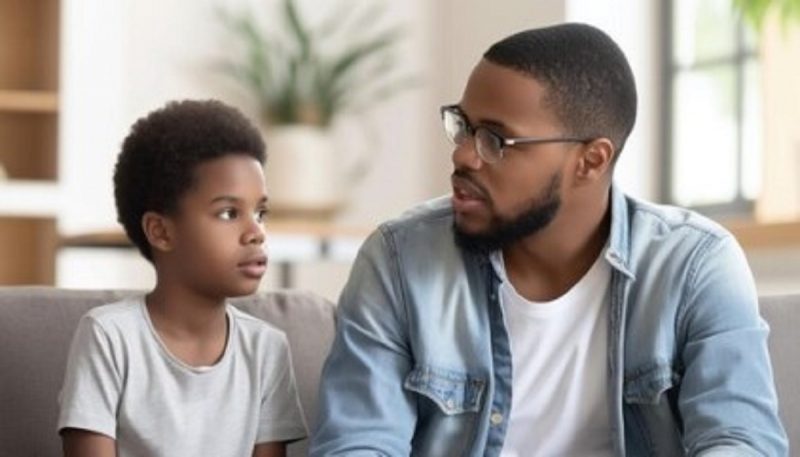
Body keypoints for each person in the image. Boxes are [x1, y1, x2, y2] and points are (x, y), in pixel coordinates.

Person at [310, 23, 787, 456]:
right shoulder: (397, 261)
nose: (463, 155)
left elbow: (741, 440)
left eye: (495, 139)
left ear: (592, 161)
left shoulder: (696, 265)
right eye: (463, 126)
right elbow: (357, 444)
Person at [58, 100, 307, 456]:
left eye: (260, 212)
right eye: (228, 213)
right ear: (160, 231)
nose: (256, 232)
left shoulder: (267, 349)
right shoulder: (109, 337)